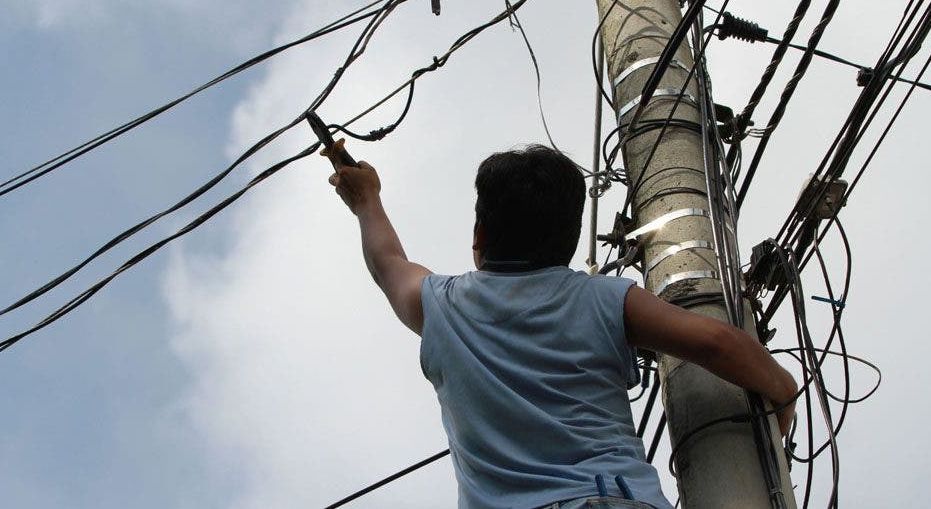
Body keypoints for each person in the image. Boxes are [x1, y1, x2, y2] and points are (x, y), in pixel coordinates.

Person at [327, 144, 796, 509]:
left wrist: (367, 198)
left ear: (479, 234)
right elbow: (716, 341)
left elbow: (387, 262)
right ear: (569, 242)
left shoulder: (441, 306)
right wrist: (783, 390)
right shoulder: (602, 297)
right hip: (614, 498)